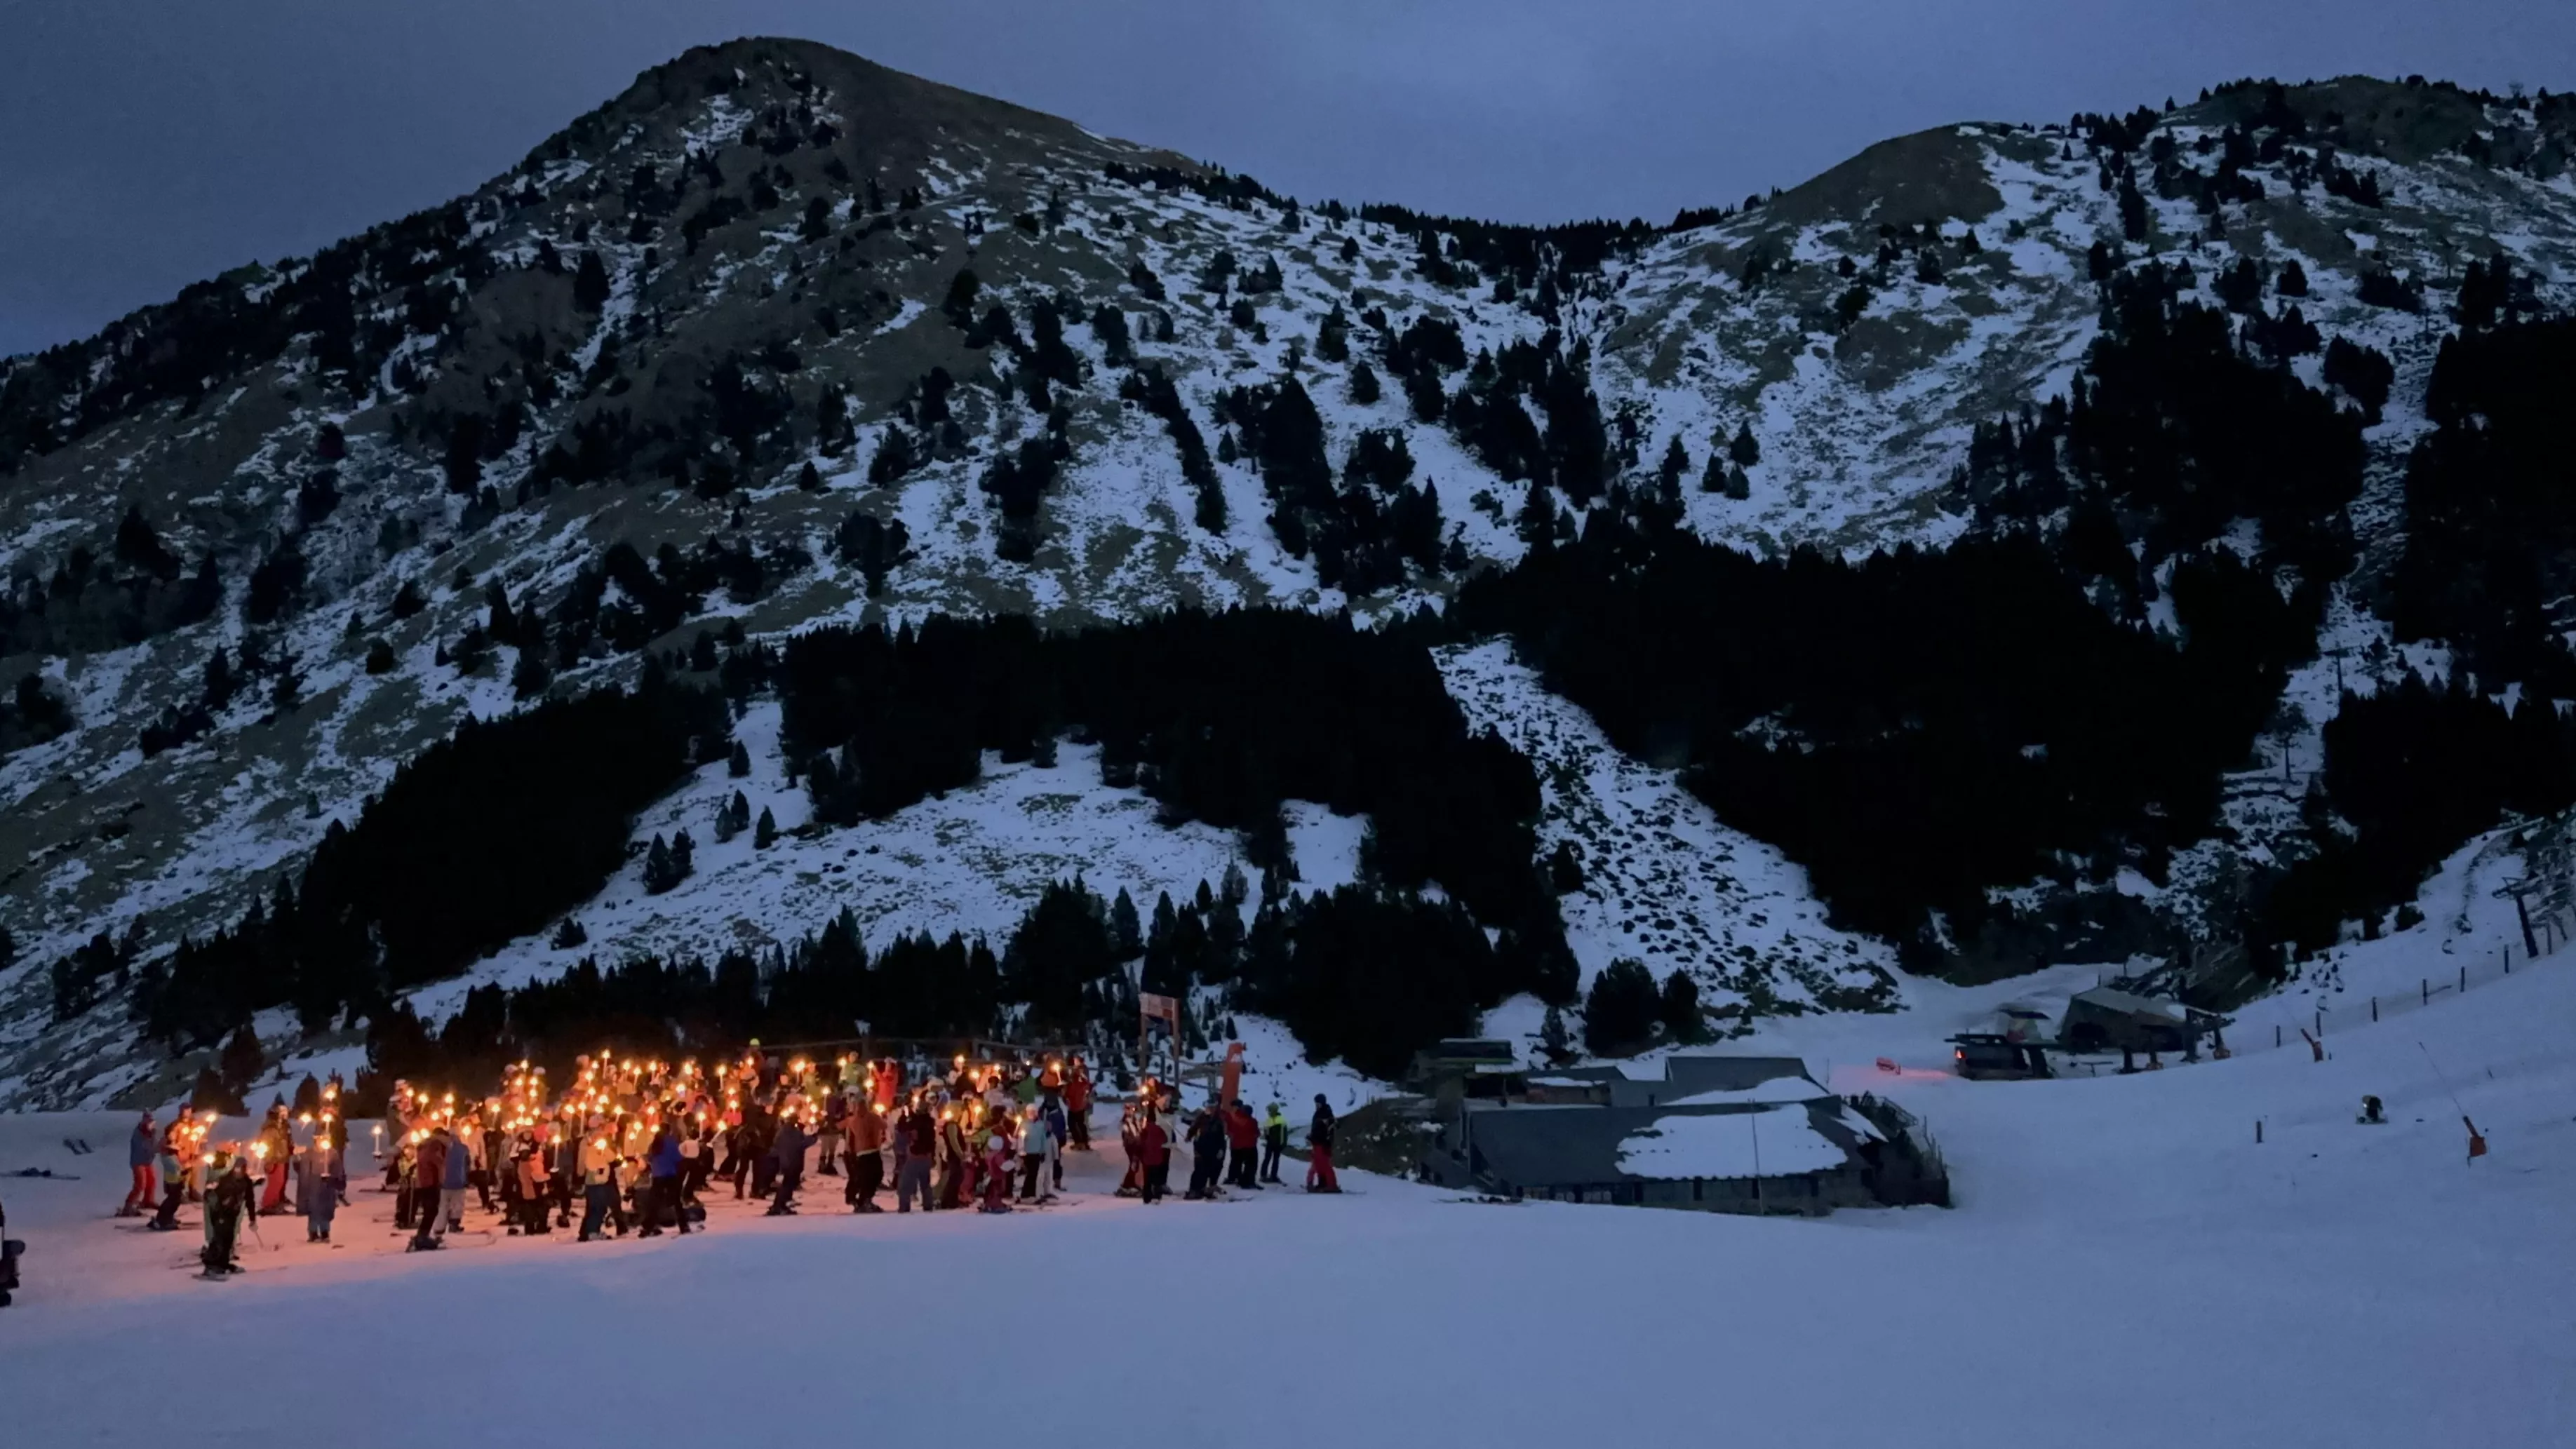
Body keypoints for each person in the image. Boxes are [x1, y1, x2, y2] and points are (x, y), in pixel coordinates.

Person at [201, 1154, 254, 1277]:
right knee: (219, 1239)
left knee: (228, 1240)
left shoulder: (246, 1182)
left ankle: (223, 1263)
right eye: (237, 1168)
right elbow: (213, 1195)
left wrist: (253, 1219)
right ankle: (211, 1265)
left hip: (232, 1215)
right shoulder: (225, 1179)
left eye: (242, 1169)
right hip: (220, 1214)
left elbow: (250, 1200)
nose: (238, 1171)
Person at [408, 1127, 450, 1251]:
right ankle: (422, 1237)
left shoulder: (424, 1145)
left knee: (429, 1211)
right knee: (431, 1211)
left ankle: (423, 1235)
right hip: (431, 1182)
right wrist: (442, 1180)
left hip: (423, 1181)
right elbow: (438, 1163)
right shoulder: (435, 1146)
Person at [648, 1124, 693, 1233]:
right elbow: (677, 1158)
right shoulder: (671, 1142)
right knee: (676, 1201)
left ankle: (649, 1227)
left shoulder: (654, 1143)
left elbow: (650, 1158)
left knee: (655, 1203)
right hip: (670, 1174)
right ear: (669, 1131)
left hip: (657, 1175)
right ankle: (683, 1226)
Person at [147, 1117, 190, 1230]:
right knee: (173, 1199)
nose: (175, 1134)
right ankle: (163, 1220)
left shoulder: (172, 1145)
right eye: (174, 1132)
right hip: (173, 1178)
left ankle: (167, 1217)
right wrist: (182, 1169)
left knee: (175, 1199)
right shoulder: (167, 1146)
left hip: (176, 1176)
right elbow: (170, 1163)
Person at [577, 1129, 619, 1241]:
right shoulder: (589, 1150)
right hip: (594, 1182)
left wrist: (604, 1149)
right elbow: (590, 1165)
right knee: (597, 1207)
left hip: (602, 1182)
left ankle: (591, 1230)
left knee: (600, 1207)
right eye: (596, 1137)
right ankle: (592, 1231)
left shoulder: (602, 1149)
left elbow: (612, 1158)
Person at [894, 1101, 936, 1213]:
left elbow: (902, 1128)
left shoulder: (916, 1122)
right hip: (926, 1157)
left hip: (915, 1156)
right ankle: (928, 1206)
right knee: (925, 1184)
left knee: (905, 1185)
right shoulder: (930, 1123)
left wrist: (904, 1116)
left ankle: (904, 1207)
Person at [845, 1101, 887, 1213]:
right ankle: (864, 1200)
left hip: (867, 1152)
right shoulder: (869, 1118)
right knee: (869, 1178)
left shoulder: (854, 1120)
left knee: (869, 1177)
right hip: (865, 1152)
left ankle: (863, 1200)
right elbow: (884, 1126)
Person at [300, 1133, 341, 1244]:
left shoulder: (332, 1153)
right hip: (314, 1184)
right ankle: (313, 1231)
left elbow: (337, 1168)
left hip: (327, 1186)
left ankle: (325, 1231)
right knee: (314, 1208)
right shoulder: (310, 1153)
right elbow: (303, 1169)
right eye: (320, 1139)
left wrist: (335, 1180)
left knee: (326, 1208)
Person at [766, 1112, 807, 1216]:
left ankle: (781, 1205)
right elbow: (801, 1144)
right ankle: (779, 1205)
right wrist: (813, 1137)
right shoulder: (792, 1132)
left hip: (787, 1161)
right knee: (787, 1185)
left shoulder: (784, 1131)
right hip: (791, 1161)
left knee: (787, 1184)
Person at [1184, 1107, 1226, 1200]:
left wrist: (1221, 1149)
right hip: (1200, 1147)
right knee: (1199, 1169)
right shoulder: (1201, 1118)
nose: (1210, 1110)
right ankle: (1194, 1190)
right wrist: (1189, 1136)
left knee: (1209, 1169)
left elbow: (1221, 1137)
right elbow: (1193, 1128)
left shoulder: (1218, 1120)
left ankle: (1203, 1189)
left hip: (1213, 1148)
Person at [121, 1112, 157, 1218]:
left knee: (152, 1181)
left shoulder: (152, 1133)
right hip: (138, 1161)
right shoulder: (138, 1134)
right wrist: (157, 1149)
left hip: (148, 1161)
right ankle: (128, 1206)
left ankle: (148, 1200)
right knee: (140, 1184)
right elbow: (145, 1148)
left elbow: (154, 1144)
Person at [1017, 1106, 1052, 1203]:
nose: (1032, 1114)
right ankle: (1026, 1194)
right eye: (1030, 1112)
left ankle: (1031, 1193)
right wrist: (1021, 1152)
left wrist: (1043, 1151)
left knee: (1034, 1174)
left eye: (1034, 1112)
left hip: (1037, 1153)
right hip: (1027, 1153)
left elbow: (1043, 1138)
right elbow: (1020, 1139)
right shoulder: (1024, 1124)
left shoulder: (1040, 1125)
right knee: (1030, 1174)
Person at [1306, 1096, 1340, 1193]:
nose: (1316, 1105)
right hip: (1317, 1142)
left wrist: (1317, 1138)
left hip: (1323, 1143)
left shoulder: (1326, 1114)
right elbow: (1317, 1129)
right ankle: (1322, 1183)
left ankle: (1331, 1185)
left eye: (1318, 1103)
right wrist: (1311, 1136)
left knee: (1325, 1165)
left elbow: (1325, 1131)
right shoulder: (1320, 1113)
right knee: (1319, 1164)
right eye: (1316, 1104)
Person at [1225, 1099, 1261, 1189]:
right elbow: (1257, 1133)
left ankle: (1234, 1178)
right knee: (1251, 1165)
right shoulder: (1252, 1121)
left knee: (1236, 1162)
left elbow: (1227, 1129)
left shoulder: (1232, 1117)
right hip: (1250, 1146)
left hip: (1235, 1145)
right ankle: (1248, 1182)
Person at [1136, 1111, 1170, 1205]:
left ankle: (1147, 1198)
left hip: (1147, 1159)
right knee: (1156, 1179)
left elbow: (1140, 1143)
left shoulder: (1145, 1131)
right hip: (1158, 1158)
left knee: (1147, 1179)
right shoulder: (1159, 1129)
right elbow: (1165, 1140)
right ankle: (1157, 1196)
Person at [1063, 1060, 1093, 1150]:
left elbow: (1071, 1092)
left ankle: (1080, 1142)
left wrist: (1065, 1094)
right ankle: (1083, 1142)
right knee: (1080, 1124)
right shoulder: (1081, 1080)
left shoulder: (1075, 1081)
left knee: (1074, 1124)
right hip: (1078, 1105)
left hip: (1075, 1106)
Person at [1261, 1102, 1288, 1185]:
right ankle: (1266, 1175)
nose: (1268, 1112)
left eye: (1270, 1111)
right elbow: (1266, 1132)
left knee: (1272, 1159)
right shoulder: (1270, 1120)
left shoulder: (1280, 1120)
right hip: (1271, 1143)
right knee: (1269, 1159)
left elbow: (1284, 1133)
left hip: (1277, 1144)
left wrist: (1283, 1144)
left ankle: (1271, 1175)